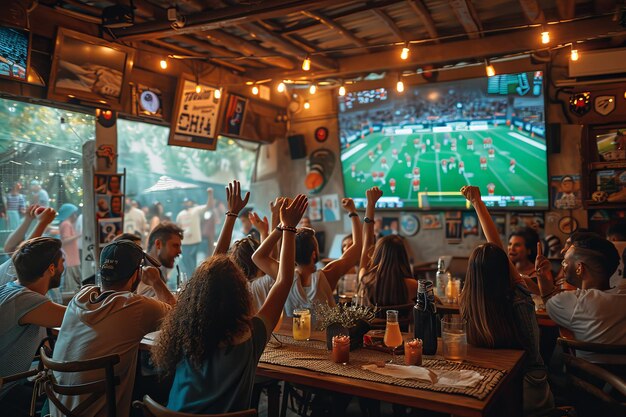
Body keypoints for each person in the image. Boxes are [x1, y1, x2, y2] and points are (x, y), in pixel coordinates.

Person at [152, 194, 308, 414]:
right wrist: (289, 229)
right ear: (241, 295)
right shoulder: (253, 336)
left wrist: (231, 215)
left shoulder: (184, 331)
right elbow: (284, 280)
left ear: (195, 294)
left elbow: (209, 273)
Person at [50, 240, 176, 417]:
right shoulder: (135, 306)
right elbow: (177, 315)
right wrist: (156, 281)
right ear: (137, 274)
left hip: (59, 411)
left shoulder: (80, 297)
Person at [460, 186, 554, 417]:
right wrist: (477, 203)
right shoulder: (519, 297)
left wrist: (477, 204)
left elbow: (498, 249)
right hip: (526, 391)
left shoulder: (466, 299)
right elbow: (498, 248)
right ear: (504, 268)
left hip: (483, 386)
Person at [253, 196, 362, 318]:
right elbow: (357, 246)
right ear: (314, 254)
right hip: (323, 337)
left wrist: (283, 225)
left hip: (293, 335)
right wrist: (352, 212)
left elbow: (258, 257)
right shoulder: (325, 276)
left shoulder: (284, 276)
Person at [0, 237, 66, 415]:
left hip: (14, 386)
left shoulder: (10, 288)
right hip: (6, 397)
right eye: (62, 262)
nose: (64, 267)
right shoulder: (26, 300)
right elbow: (78, 317)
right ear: (51, 269)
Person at [536, 234, 626, 364]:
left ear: (579, 268)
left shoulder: (573, 302)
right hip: (620, 380)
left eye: (565, 262)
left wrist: (541, 277)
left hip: (589, 380)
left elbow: (550, 302)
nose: (563, 266)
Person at [357, 187, 417, 306]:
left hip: (372, 325)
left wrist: (370, 204)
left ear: (377, 254)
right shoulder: (413, 285)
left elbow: (367, 244)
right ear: (402, 256)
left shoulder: (365, 278)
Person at [136, 222, 184, 296]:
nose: (179, 251)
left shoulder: (161, 269)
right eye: (175, 246)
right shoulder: (137, 271)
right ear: (158, 244)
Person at [176, 190, 213, 278]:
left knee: (197, 264)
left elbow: (209, 206)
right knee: (187, 265)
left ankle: (196, 279)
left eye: (188, 201)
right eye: (185, 202)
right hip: (185, 243)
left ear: (191, 202)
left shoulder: (196, 210)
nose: (186, 203)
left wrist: (210, 194)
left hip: (196, 242)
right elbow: (178, 228)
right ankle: (190, 281)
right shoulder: (180, 214)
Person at [57, 203, 82, 292]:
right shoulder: (66, 224)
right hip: (70, 260)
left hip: (72, 260)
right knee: (71, 288)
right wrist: (78, 235)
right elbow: (64, 241)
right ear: (70, 213)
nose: (76, 215)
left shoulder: (66, 224)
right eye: (74, 213)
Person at [508, 227, 541, 292]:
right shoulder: (507, 269)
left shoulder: (539, 274)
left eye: (517, 245)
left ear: (529, 250)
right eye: (510, 244)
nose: (511, 248)